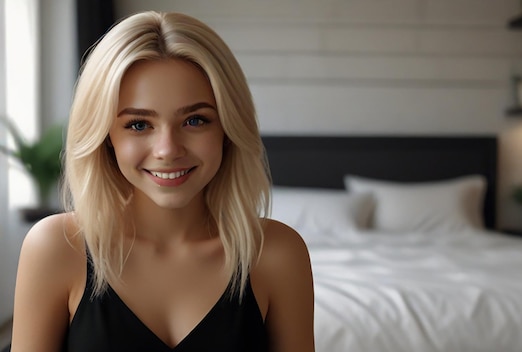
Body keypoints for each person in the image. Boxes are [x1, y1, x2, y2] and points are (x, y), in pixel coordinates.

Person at [11, 11, 314, 352]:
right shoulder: (56, 248)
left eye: (195, 120)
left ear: (228, 129)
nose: (168, 150)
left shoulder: (277, 254)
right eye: (139, 124)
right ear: (105, 135)